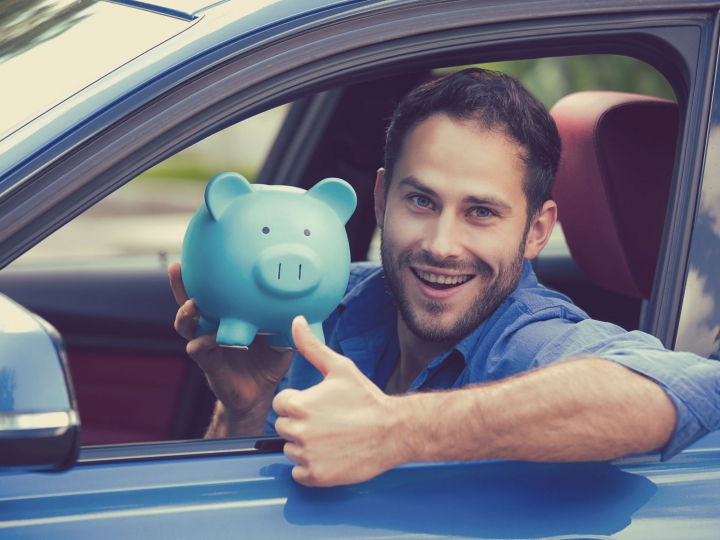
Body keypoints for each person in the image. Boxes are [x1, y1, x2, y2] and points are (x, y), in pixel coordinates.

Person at [169, 68, 720, 487]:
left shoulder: (529, 339)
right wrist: (241, 411)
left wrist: (394, 431)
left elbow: (684, 388)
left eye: (481, 212)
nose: (440, 245)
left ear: (536, 230)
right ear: (383, 199)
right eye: (422, 201)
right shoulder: (326, 307)